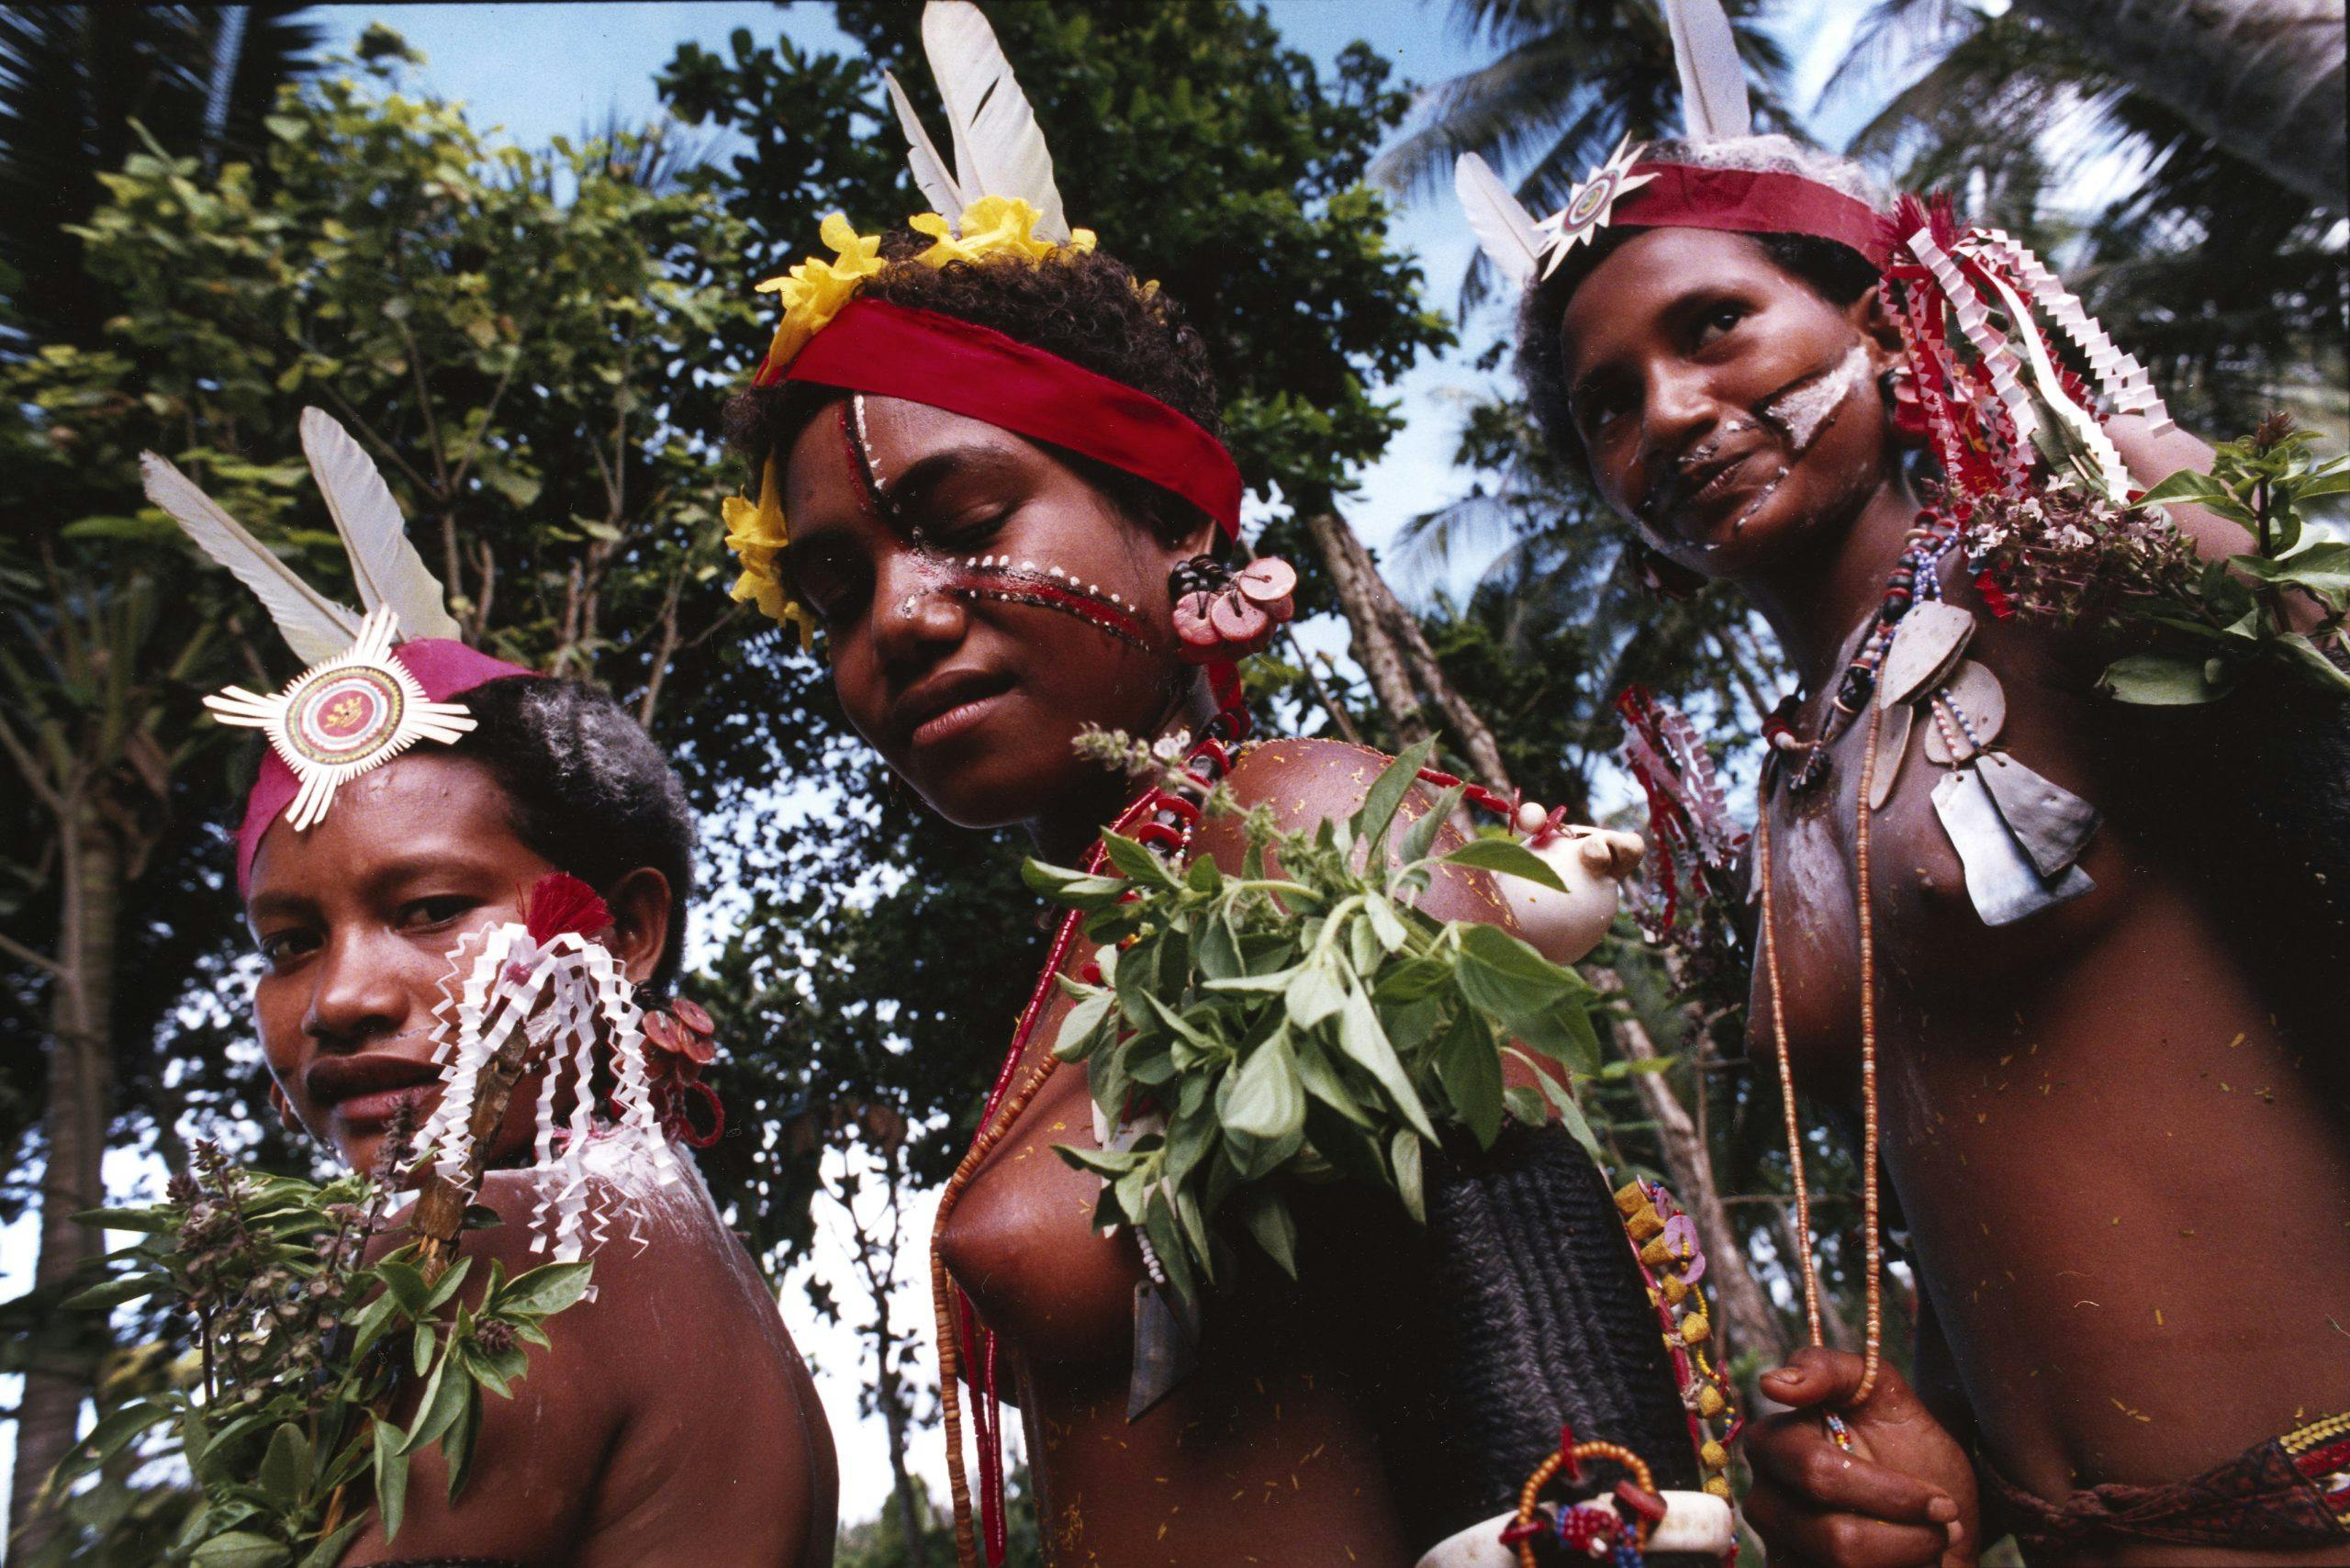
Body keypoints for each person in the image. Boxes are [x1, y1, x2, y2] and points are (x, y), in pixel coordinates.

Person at [716, 6, 1735, 1565]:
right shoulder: (1116, 920)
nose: (899, 618)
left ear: (1182, 529)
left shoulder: (1307, 828)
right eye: (839, 586)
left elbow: (1564, 1438)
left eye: (962, 515)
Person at [1463, 3, 2350, 1561]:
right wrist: (1913, 1440)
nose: (1666, 409)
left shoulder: (2074, 577)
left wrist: (2165, 489)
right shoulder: (1790, 781)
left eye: (1714, 325)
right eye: (1608, 402)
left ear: (1882, 319)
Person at [148, 415, 838, 1567]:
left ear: (622, 931)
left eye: (428, 910)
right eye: (289, 942)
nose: (339, 1000)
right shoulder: (660, 1237)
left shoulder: (514, 1244)